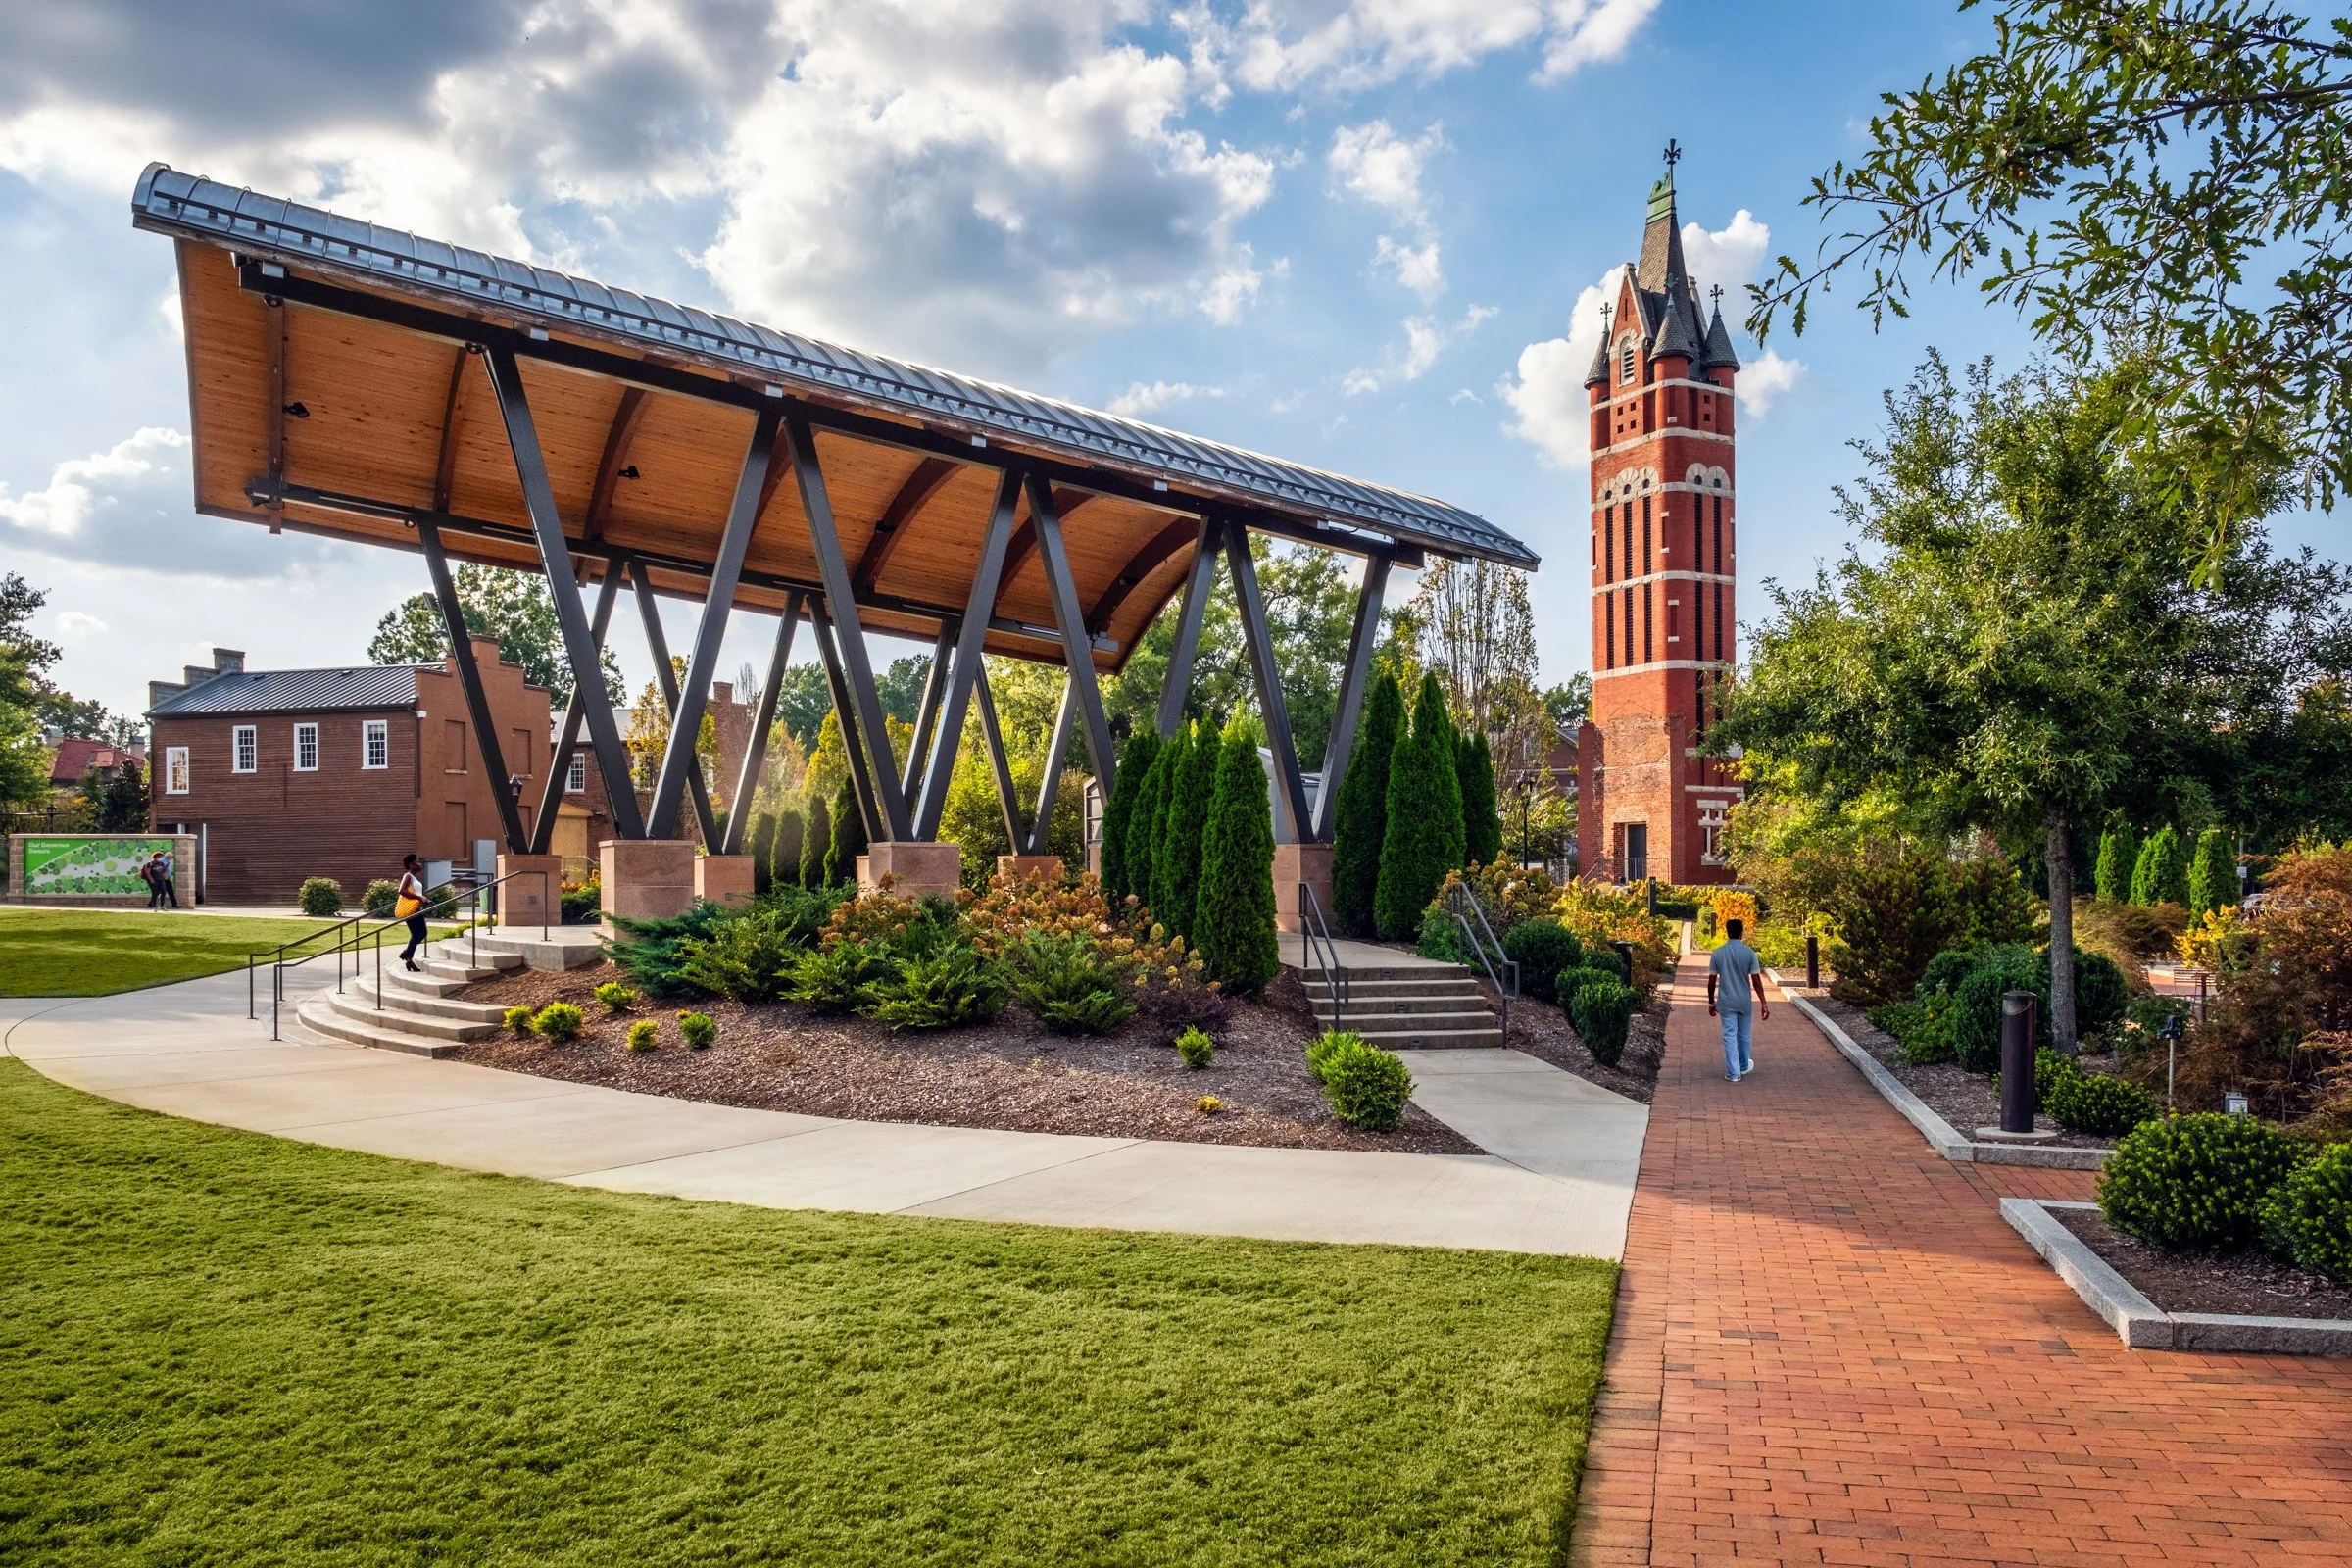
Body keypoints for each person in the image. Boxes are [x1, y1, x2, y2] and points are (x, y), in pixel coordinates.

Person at [1706, 915, 1770, 1081]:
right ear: (1742, 933)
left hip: (1726, 1001)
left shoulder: (1718, 953)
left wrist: (1711, 1002)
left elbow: (1711, 981)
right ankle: (1743, 1065)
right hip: (1744, 1001)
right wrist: (1763, 1002)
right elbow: (1756, 980)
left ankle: (1734, 1073)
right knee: (1744, 1035)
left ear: (1727, 932)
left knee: (1729, 1035)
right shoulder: (1749, 953)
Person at [394, 854, 430, 972]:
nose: (419, 864)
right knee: (418, 934)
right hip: (410, 911)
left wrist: (423, 899)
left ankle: (407, 954)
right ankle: (408, 957)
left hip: (416, 909)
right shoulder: (407, 876)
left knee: (421, 933)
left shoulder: (414, 878)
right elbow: (401, 891)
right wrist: (419, 898)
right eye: (417, 862)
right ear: (410, 865)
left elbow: (416, 892)